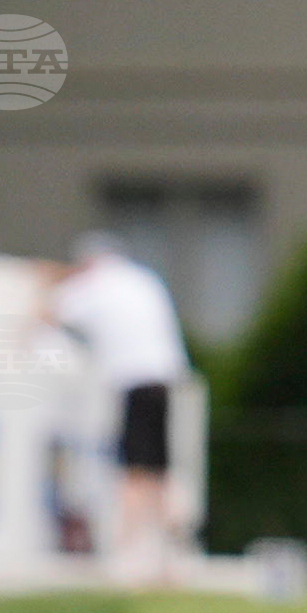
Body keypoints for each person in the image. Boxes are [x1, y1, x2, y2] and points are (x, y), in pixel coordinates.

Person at [48, 233, 191, 583]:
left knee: (134, 469)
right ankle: (168, 555)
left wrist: (48, 281)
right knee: (157, 468)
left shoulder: (97, 284)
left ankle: (128, 554)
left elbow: (53, 310)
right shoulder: (143, 278)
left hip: (134, 381)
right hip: (164, 379)